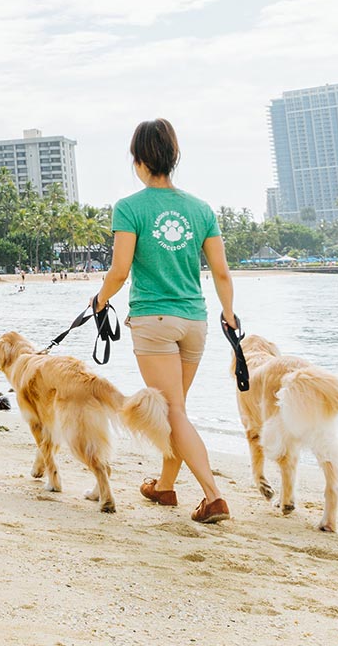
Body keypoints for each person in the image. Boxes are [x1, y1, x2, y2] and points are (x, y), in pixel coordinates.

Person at [89, 118, 236, 525]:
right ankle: (165, 487)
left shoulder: (130, 208)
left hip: (154, 319)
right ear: (173, 158)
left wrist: (100, 301)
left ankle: (213, 496)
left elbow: (119, 272)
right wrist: (228, 313)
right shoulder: (200, 209)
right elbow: (221, 272)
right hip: (196, 321)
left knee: (173, 411)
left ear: (138, 160)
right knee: (178, 409)